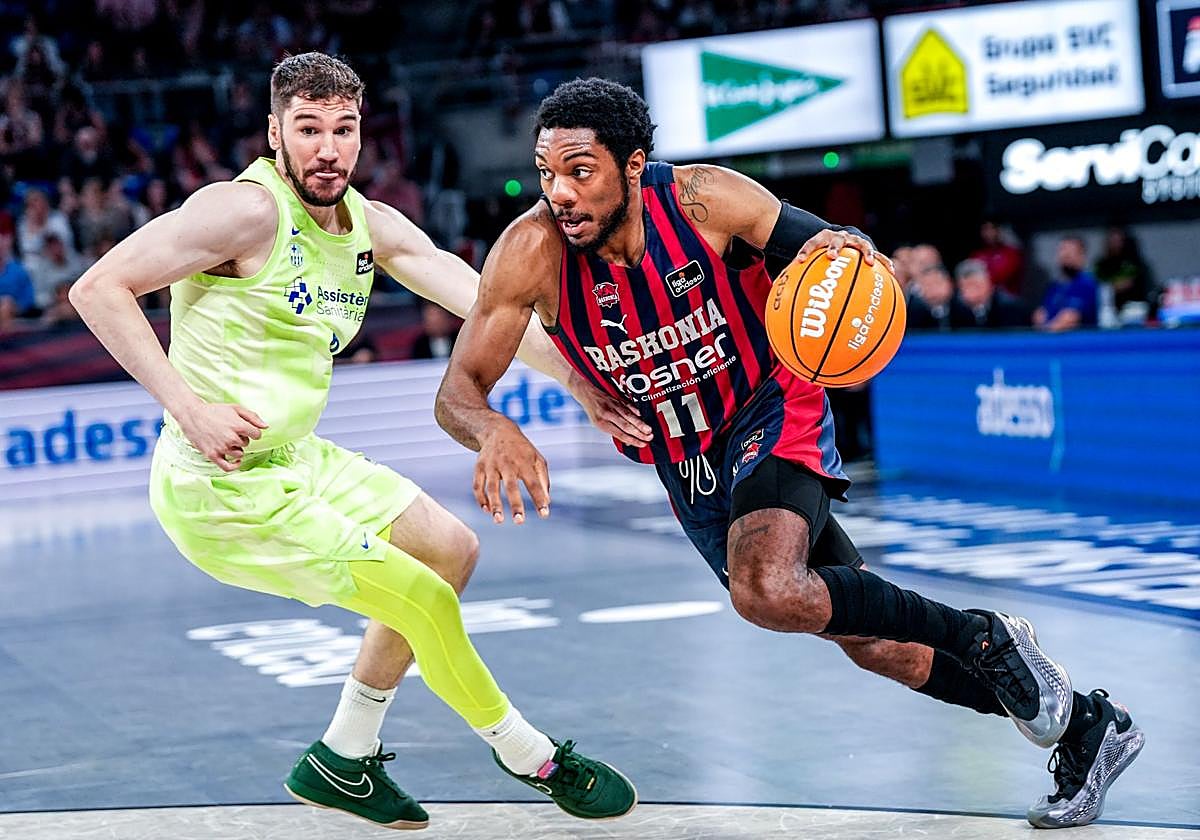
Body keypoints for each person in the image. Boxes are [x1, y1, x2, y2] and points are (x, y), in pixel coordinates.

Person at [434, 78, 1144, 830]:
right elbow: (457, 392)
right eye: (547, 174)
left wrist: (852, 258)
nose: (560, 194)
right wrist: (496, 428)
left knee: (766, 589)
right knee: (878, 646)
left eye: (581, 171)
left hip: (770, 404)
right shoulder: (530, 251)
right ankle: (1086, 727)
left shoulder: (706, 200)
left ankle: (987, 633)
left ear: (634, 165)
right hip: (687, 454)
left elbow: (842, 256)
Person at [69, 53, 637, 832]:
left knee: (450, 551)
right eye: (308, 130)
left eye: (343, 129)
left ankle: (344, 756)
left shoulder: (369, 226)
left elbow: (479, 298)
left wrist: (576, 383)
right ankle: (528, 755)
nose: (328, 148)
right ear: (276, 134)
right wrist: (189, 406)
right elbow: (96, 288)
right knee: (425, 600)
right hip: (220, 483)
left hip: (298, 459)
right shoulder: (240, 213)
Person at [1034, 236, 1098, 332]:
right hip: (1049, 339)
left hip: (1076, 342)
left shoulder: (1087, 284)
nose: (1066, 255)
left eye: (1072, 251)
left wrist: (1046, 330)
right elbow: (1041, 315)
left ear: (1082, 256)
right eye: (1063, 250)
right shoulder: (1054, 286)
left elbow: (1069, 318)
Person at [954, 258, 1031, 329]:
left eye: (976, 285)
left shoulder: (1010, 308)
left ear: (989, 283)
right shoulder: (954, 310)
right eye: (966, 286)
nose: (971, 290)